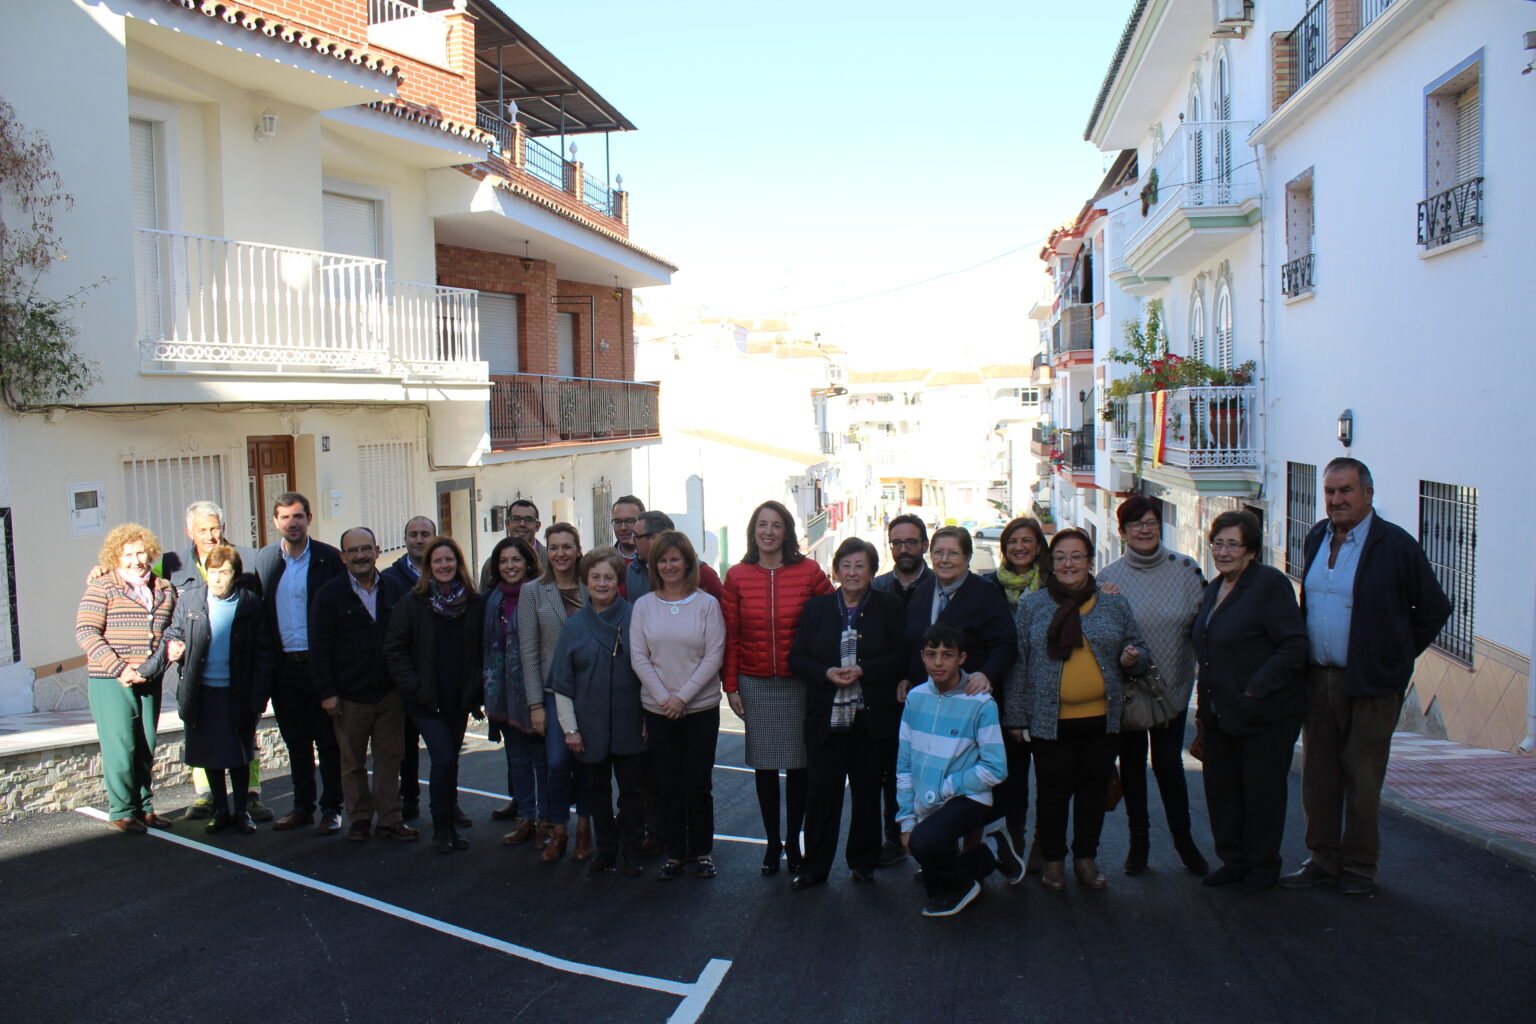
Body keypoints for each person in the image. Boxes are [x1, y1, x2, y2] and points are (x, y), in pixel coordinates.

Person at [1281, 458, 1451, 896]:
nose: (1336, 500)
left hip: (1372, 684)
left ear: (1368, 494)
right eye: (1330, 492)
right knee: (1317, 775)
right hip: (1318, 679)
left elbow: (1433, 607)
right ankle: (1322, 858)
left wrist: (1394, 655)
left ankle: (1358, 867)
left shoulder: (1395, 545)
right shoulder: (1317, 536)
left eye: (1346, 491)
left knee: (1361, 776)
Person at [1004, 528, 1149, 891]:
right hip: (1049, 721)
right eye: (1061, 557)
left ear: (1089, 561)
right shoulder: (1033, 605)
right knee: (1052, 795)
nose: (1069, 564)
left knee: (1092, 792)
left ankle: (1086, 857)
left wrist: (1132, 657)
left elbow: (1138, 647)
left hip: (1102, 720)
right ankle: (1053, 861)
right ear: (1051, 563)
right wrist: (1017, 717)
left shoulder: (1114, 603)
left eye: (1077, 556)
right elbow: (1019, 663)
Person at [1192, 511, 1308, 888]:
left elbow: (1293, 646)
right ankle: (1234, 860)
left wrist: (1255, 689)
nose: (1223, 552)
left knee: (1261, 793)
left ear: (1251, 551)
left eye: (1232, 545)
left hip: (1263, 714)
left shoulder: (1269, 585)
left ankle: (1262, 865)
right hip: (1219, 712)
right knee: (1222, 791)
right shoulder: (1214, 588)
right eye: (1218, 543)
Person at [1097, 496, 1210, 877]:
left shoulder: (1186, 570)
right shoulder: (1108, 579)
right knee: (1130, 767)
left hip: (1173, 687)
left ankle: (1185, 842)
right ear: (1122, 532)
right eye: (1135, 524)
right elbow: (1099, 636)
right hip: (1129, 689)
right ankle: (1138, 842)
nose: (1144, 530)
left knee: (1167, 765)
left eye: (1151, 522)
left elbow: (1203, 628)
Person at [722, 500, 833, 876]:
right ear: (753, 531)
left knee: (800, 766)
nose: (768, 532)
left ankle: (793, 842)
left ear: (786, 532)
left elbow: (833, 614)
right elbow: (731, 633)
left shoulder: (809, 571)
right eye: (762, 525)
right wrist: (731, 685)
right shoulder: (737, 575)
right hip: (755, 682)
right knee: (765, 766)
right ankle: (772, 843)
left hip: (799, 682)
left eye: (776, 525)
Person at [789, 537, 905, 890]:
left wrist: (863, 670)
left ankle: (863, 862)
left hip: (871, 719)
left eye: (860, 566)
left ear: (872, 571)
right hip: (827, 718)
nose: (852, 573)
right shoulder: (817, 609)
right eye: (846, 565)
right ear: (836, 569)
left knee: (868, 792)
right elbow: (797, 658)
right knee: (821, 793)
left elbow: (901, 656)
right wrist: (826, 673)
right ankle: (815, 868)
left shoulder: (890, 606)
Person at [151, 500, 269, 822]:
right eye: (202, 529)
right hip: (196, 672)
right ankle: (207, 798)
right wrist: (103, 569)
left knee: (244, 734)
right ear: (189, 532)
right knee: (203, 737)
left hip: (238, 674)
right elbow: (135, 574)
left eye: (215, 528)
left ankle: (251, 796)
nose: (210, 535)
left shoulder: (248, 559)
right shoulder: (169, 564)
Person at [897, 623, 1022, 918]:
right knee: (927, 869)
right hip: (928, 799)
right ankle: (992, 849)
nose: (938, 662)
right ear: (922, 657)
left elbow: (995, 768)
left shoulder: (980, 702)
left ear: (962, 658)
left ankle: (961, 885)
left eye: (947, 654)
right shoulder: (915, 698)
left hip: (969, 796)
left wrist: (947, 786)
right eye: (931, 654)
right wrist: (905, 821)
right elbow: (904, 763)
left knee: (926, 845)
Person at [630, 531, 726, 879]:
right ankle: (674, 852)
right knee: (668, 785)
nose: (669, 565)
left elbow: (714, 654)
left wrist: (682, 697)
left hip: (700, 710)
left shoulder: (706, 605)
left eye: (675, 559)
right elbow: (640, 658)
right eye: (662, 560)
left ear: (687, 562)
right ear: (655, 566)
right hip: (658, 711)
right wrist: (664, 698)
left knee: (698, 784)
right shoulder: (643, 606)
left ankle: (701, 851)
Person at [310, 527, 416, 842]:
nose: (360, 555)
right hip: (348, 697)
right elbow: (319, 648)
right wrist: (327, 693)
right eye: (353, 550)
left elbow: (410, 639)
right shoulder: (328, 595)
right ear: (343, 556)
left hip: (389, 695)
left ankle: (389, 820)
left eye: (366, 549)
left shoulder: (397, 589)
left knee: (389, 761)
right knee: (351, 763)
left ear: (377, 551)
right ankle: (358, 819)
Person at [550, 548, 648, 877]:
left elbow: (653, 671)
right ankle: (605, 849)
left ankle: (632, 851)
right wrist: (570, 730)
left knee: (633, 793)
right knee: (597, 793)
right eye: (596, 577)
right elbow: (563, 684)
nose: (602, 583)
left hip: (631, 722)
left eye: (609, 577)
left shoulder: (636, 617)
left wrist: (649, 718)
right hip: (589, 727)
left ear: (619, 581)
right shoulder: (574, 626)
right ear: (586, 581)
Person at [252, 492, 345, 834]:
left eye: (298, 517)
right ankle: (302, 806)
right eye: (285, 518)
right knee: (295, 741)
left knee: (327, 741)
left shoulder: (328, 559)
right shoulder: (264, 560)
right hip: (283, 668)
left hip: (320, 666)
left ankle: (332, 807)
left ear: (309, 519)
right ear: (275, 522)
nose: (292, 523)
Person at [75, 523, 177, 833]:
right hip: (111, 679)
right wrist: (120, 668)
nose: (136, 560)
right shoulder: (103, 586)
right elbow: (86, 632)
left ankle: (144, 807)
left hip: (149, 678)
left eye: (141, 552)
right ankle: (121, 810)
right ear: (116, 557)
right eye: (128, 554)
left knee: (145, 744)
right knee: (121, 746)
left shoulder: (164, 589)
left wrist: (161, 661)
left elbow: (169, 631)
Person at [385, 536, 485, 853]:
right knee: (442, 759)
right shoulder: (413, 604)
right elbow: (395, 649)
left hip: (458, 699)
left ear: (458, 564)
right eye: (438, 561)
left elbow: (481, 649)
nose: (444, 566)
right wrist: (413, 686)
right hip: (426, 700)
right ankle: (441, 827)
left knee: (450, 760)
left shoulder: (472, 603)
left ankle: (450, 818)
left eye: (449, 560)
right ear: (429, 566)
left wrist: (476, 691)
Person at [979, 515, 1051, 865]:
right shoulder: (989, 586)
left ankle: (1043, 844)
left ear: (1039, 546)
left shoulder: (1056, 585)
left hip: (1051, 696)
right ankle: (1016, 841)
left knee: (1052, 781)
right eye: (1012, 542)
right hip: (1005, 698)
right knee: (1012, 782)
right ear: (1004, 548)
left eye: (1026, 541)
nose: (1019, 547)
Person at [519, 523, 593, 861]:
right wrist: (536, 703)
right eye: (554, 547)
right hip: (552, 692)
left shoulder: (593, 586)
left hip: (592, 692)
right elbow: (529, 651)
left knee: (590, 764)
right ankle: (559, 828)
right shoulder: (532, 591)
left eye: (567, 546)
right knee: (557, 762)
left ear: (578, 549)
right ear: (545, 551)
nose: (560, 553)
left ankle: (583, 829)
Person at [870, 513, 934, 866]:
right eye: (897, 543)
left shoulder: (940, 585)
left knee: (934, 768)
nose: (904, 549)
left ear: (924, 545)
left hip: (934, 694)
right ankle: (893, 839)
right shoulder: (876, 587)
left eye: (911, 542)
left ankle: (931, 842)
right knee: (892, 771)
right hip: (887, 696)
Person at [482, 534, 548, 847]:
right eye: (504, 561)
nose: (510, 566)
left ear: (528, 563)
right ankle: (525, 819)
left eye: (516, 560)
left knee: (542, 761)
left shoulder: (541, 595)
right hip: (503, 695)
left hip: (536, 694)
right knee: (517, 761)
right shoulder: (492, 598)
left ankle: (547, 822)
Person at [381, 515, 436, 821]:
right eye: (413, 534)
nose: (419, 539)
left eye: (424, 533)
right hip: (404, 680)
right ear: (405, 540)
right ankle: (410, 800)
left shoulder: (447, 572)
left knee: (444, 750)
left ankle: (448, 804)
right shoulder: (390, 579)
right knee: (405, 748)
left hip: (439, 678)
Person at [627, 510, 725, 602]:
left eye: (636, 537)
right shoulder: (633, 571)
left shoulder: (703, 574)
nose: (631, 542)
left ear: (655, 539)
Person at [480, 500, 546, 591]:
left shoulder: (551, 561)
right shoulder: (491, 565)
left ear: (537, 526)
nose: (522, 524)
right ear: (507, 524)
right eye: (516, 519)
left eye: (529, 520)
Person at [611, 494, 646, 569]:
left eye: (630, 521)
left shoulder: (657, 562)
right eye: (617, 521)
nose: (623, 528)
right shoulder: (604, 562)